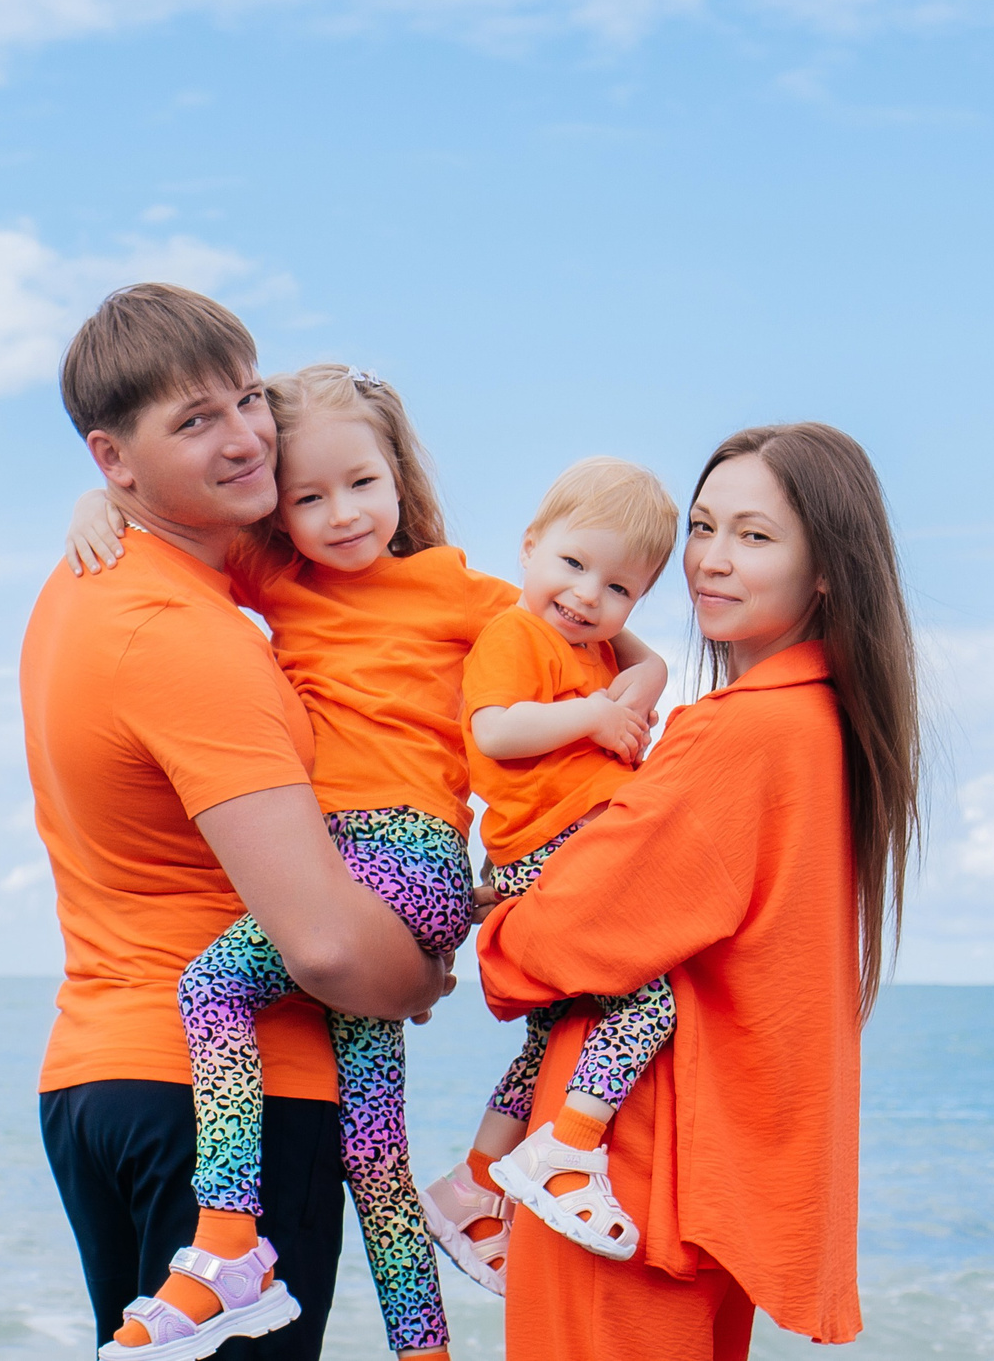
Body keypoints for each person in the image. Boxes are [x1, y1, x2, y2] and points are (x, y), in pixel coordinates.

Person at [66, 372, 666, 1361]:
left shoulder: (460, 591)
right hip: (339, 871)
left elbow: (594, 618)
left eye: (362, 484)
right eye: (309, 497)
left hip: (403, 856)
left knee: (212, 988)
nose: (341, 514)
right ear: (280, 508)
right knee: (374, 1152)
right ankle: (425, 1350)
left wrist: (635, 686)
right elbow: (170, 530)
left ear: (397, 477)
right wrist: (97, 506)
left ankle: (228, 1247)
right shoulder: (278, 579)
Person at [24, 287, 451, 1361]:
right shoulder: (186, 635)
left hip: (100, 1081)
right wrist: (418, 980)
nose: (247, 437)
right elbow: (323, 945)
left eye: (248, 398)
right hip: (232, 1105)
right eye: (194, 421)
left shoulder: (87, 588)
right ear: (113, 459)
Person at [476, 423, 922, 1359]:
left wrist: (497, 919)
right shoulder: (826, 725)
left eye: (755, 536)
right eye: (704, 527)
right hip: (699, 1181)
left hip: (624, 1176)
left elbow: (557, 940)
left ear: (826, 568)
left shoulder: (739, 733)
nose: (712, 560)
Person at [417, 458, 679, 1296]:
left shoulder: (593, 648)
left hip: (565, 848)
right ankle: (568, 1147)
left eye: (619, 587)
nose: (587, 595)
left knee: (549, 1039)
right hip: (551, 847)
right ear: (529, 546)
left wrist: (629, 676)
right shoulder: (517, 634)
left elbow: (654, 667)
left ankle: (471, 1185)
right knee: (649, 1000)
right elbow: (495, 731)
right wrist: (594, 715)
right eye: (571, 563)